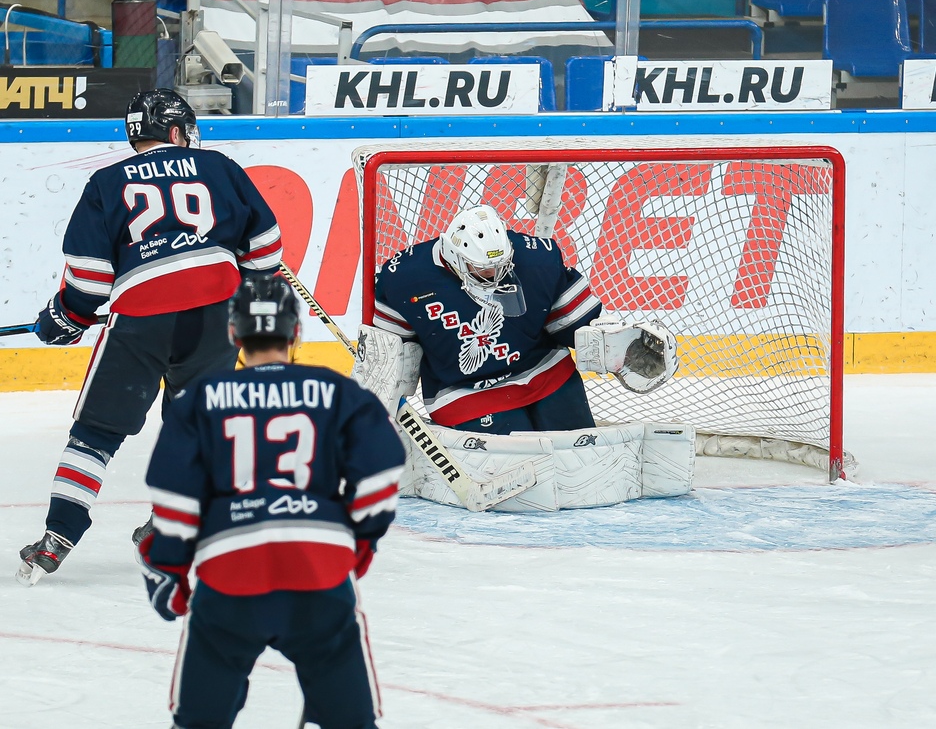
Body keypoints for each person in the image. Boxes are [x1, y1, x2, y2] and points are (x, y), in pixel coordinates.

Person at [17, 89, 284, 585]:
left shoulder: (106, 181)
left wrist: (65, 316)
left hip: (142, 316)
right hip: (216, 316)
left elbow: (90, 281)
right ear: (177, 131)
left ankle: (58, 537)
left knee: (96, 435)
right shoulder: (220, 167)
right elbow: (266, 252)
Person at [138, 274, 405, 729]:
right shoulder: (336, 392)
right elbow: (379, 474)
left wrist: (169, 569)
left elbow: (176, 500)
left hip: (230, 581)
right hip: (318, 577)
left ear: (233, 333)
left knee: (198, 722)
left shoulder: (200, 399)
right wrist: (360, 543)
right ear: (296, 332)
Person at [363, 204, 608, 434]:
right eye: (483, 269)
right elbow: (392, 348)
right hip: (464, 393)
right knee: (519, 461)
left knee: (579, 453)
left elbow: (576, 323)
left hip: (544, 372)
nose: (495, 274)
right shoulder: (405, 278)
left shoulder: (536, 260)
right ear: (455, 257)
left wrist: (612, 347)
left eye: (501, 265)